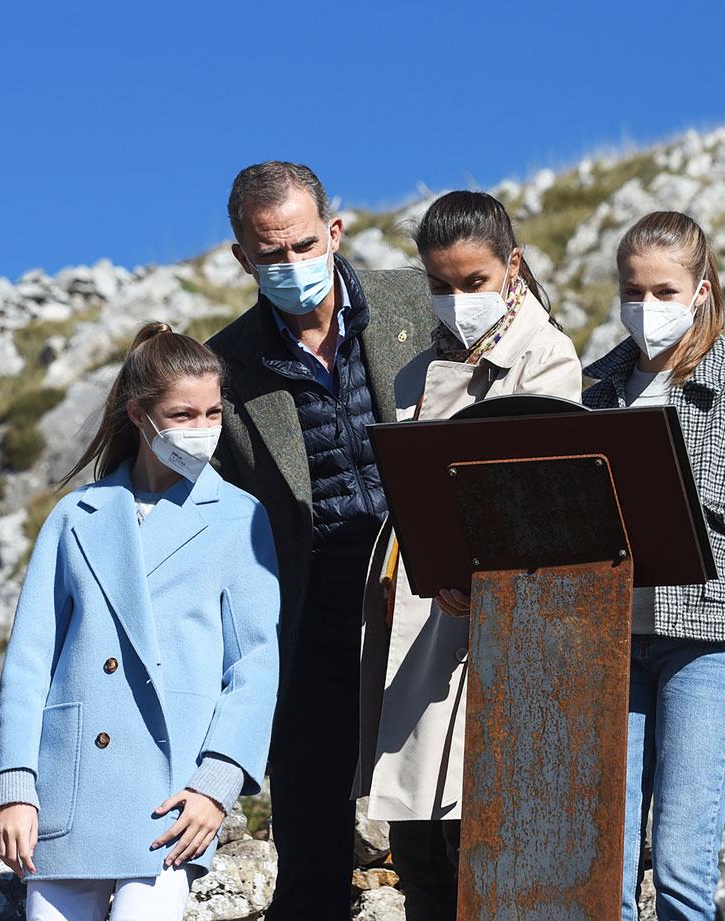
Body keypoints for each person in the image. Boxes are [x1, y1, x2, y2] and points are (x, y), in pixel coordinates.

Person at [0, 322, 280, 921]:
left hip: (171, 796)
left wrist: (217, 784)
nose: (202, 430)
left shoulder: (237, 516)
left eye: (211, 413)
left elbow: (255, 664)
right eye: (182, 414)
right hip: (69, 784)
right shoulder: (76, 515)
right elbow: (29, 660)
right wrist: (14, 787)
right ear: (139, 415)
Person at [206, 161, 432, 920]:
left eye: (305, 244)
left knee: (435, 837)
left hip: (430, 606)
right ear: (243, 257)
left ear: (334, 232)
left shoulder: (418, 299)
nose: (293, 265)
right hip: (310, 622)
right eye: (271, 254)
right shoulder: (226, 368)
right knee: (309, 842)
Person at [355, 190, 584, 920]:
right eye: (440, 286)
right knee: (420, 849)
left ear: (512, 267)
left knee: (476, 844)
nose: (457, 300)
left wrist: (471, 570)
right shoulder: (413, 372)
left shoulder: (547, 358)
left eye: (474, 282)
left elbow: (541, 495)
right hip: (417, 621)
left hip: (495, 636)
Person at [582, 211, 725, 921]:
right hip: (610, 646)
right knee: (602, 865)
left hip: (708, 649)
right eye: (631, 290)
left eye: (662, 290)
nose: (645, 308)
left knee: (682, 860)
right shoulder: (587, 394)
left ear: (701, 289)